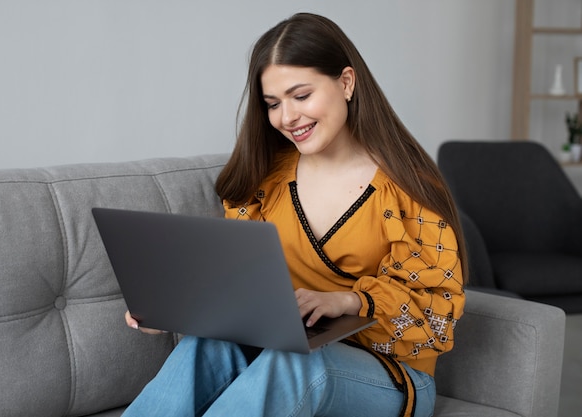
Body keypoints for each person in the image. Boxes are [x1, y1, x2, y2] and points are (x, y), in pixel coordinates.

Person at [123, 12, 466, 417]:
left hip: (390, 377)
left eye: (301, 96)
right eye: (273, 104)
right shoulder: (265, 182)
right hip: (282, 354)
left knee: (298, 363)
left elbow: (435, 317)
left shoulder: (407, 186)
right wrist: (175, 309)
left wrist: (351, 301)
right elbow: (242, 290)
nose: (287, 118)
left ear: (346, 83)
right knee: (206, 344)